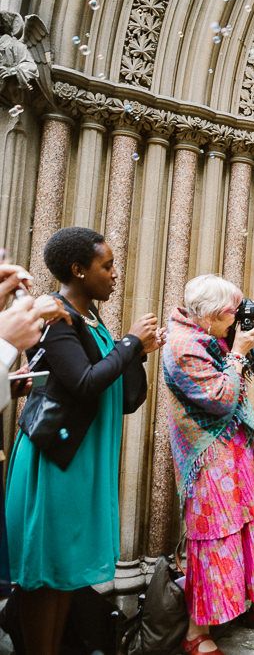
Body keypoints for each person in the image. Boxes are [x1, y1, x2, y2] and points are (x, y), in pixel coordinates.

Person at [4, 227, 163, 655]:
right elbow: (84, 382)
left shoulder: (92, 318)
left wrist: (136, 352)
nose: (114, 274)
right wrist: (129, 342)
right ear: (77, 269)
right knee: (45, 575)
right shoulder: (55, 316)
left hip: (84, 457)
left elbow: (128, 398)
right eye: (106, 265)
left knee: (65, 575)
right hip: (57, 459)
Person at [163, 274, 254, 655]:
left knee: (251, 525)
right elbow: (220, 398)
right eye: (230, 313)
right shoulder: (182, 346)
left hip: (237, 448)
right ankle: (196, 632)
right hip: (208, 456)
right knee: (212, 537)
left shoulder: (210, 333)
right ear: (206, 315)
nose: (236, 317)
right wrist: (237, 351)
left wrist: (239, 343)